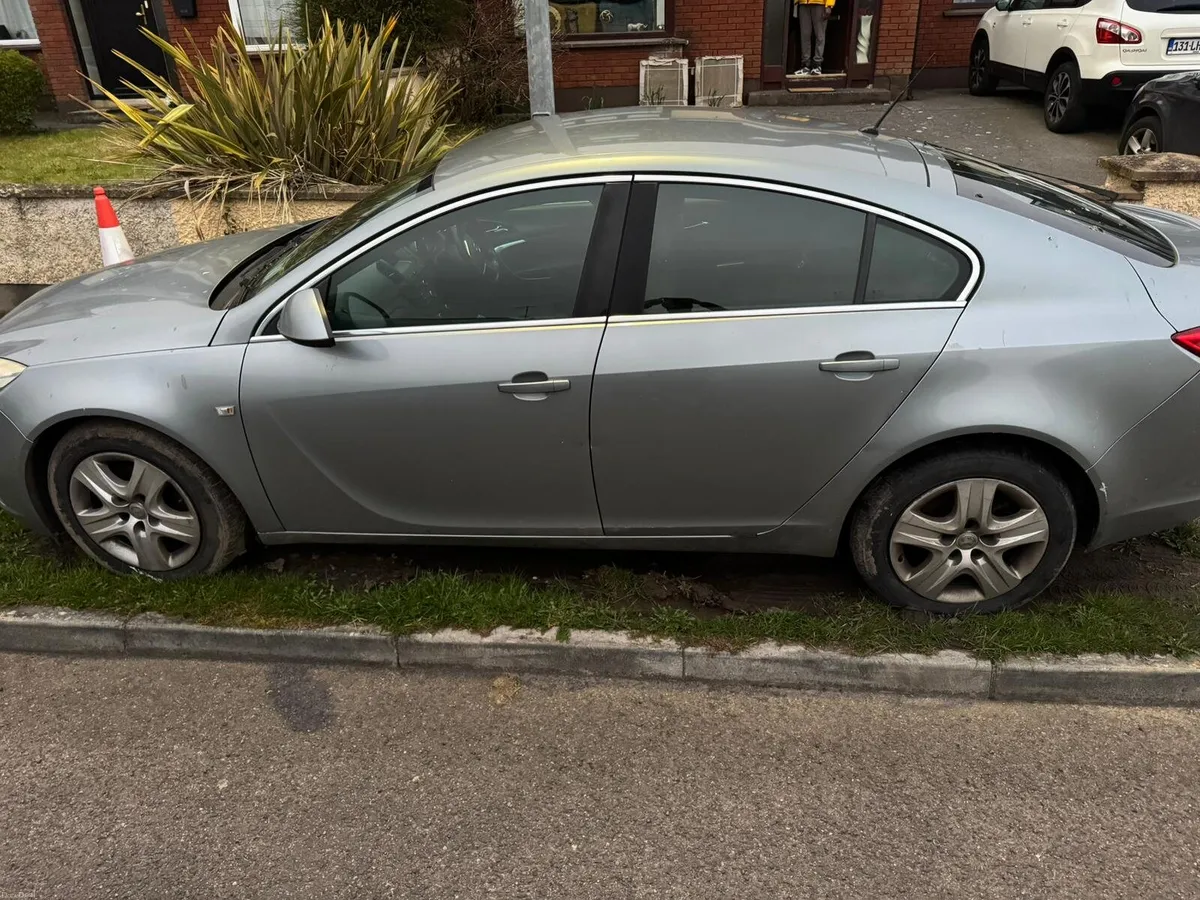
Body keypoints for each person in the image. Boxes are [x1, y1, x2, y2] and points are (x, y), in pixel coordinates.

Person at [792, 0, 835, 77]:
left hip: (820, 3)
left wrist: (829, 5)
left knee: (820, 35)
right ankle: (805, 65)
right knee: (805, 35)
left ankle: (817, 65)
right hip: (803, 3)